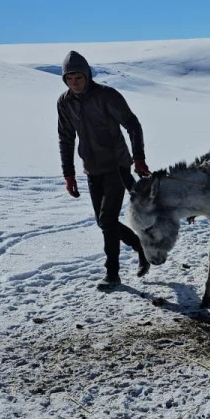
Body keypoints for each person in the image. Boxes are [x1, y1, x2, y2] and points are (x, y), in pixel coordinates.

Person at [57, 50, 152, 290]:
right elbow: (65, 138)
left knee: (107, 219)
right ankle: (141, 245)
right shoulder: (65, 102)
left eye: (78, 77)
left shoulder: (107, 96)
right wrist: (68, 174)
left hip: (116, 166)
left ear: (87, 75)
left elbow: (132, 124)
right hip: (92, 169)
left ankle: (112, 273)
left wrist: (138, 158)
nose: (74, 83)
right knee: (104, 222)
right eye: (69, 79)